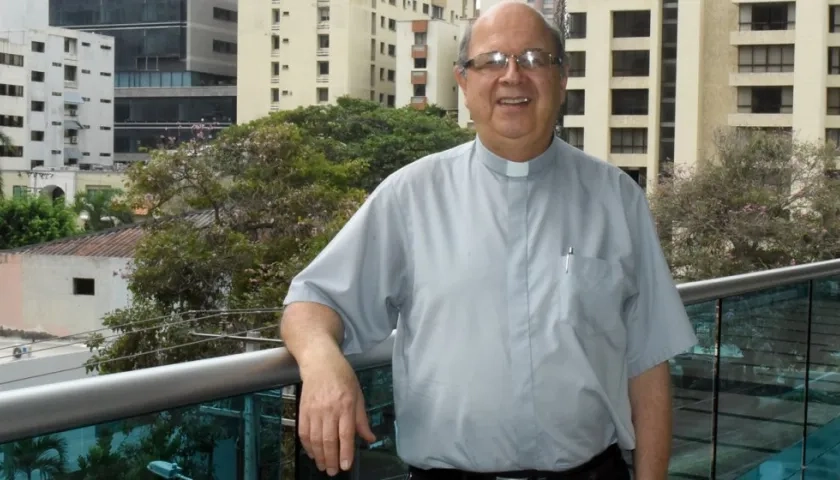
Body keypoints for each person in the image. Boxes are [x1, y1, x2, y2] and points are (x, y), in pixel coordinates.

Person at [280, 2, 698, 479]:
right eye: (492, 61)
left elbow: (648, 367)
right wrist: (320, 363)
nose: (513, 76)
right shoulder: (411, 196)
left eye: (535, 59)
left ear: (562, 79)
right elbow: (311, 301)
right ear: (463, 81)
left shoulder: (617, 200)